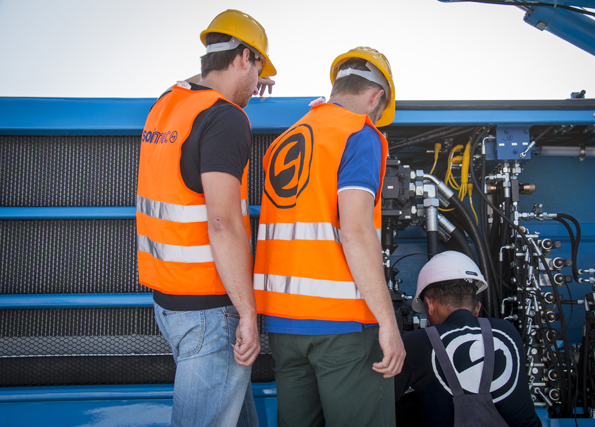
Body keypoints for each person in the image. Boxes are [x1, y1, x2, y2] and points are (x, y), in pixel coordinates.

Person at [135, 9, 276, 427]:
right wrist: (248, 313)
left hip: (169, 303)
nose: (258, 83)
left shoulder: (167, 106)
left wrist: (245, 84)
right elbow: (223, 222)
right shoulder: (224, 118)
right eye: (258, 69)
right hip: (210, 314)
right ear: (245, 56)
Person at [253, 47, 405, 427]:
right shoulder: (358, 133)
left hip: (284, 326)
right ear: (376, 98)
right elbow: (354, 230)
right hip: (342, 328)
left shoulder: (285, 140)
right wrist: (388, 322)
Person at [395, 251, 542, 427]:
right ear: (477, 308)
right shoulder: (507, 331)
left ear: (429, 305)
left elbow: (382, 398)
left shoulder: (416, 342)